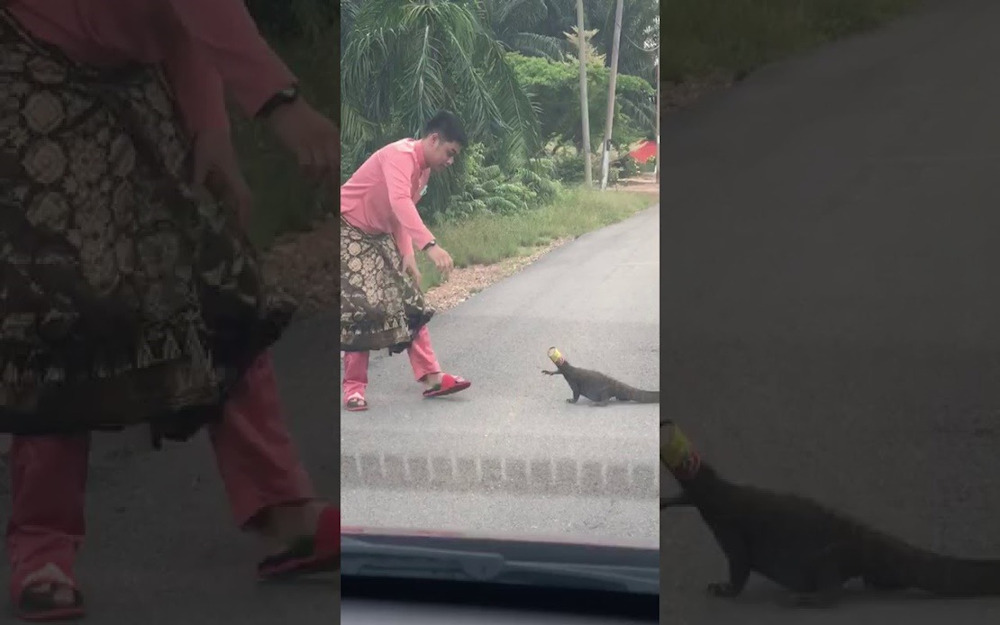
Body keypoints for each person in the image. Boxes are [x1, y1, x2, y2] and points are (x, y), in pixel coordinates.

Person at [0, 1, 340, 620]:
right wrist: (281, 105)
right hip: (27, 55)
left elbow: (186, 13)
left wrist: (211, 133)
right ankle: (41, 547)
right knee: (60, 299)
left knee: (216, 279)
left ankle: (285, 511)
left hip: (130, 71)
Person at [340, 111, 472, 411]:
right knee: (364, 307)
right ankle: (354, 388)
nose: (450, 161)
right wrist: (430, 246)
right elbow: (400, 201)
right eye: (449, 153)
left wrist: (408, 256)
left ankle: (431, 377)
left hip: (378, 234)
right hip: (348, 227)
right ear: (434, 139)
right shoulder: (399, 156)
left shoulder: (422, 171)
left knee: (411, 302)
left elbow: (400, 214)